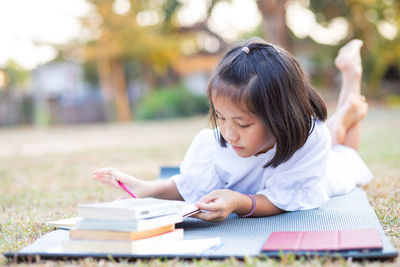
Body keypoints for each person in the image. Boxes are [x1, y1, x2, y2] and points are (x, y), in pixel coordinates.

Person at [93, 38, 372, 222]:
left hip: (324, 169)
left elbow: (284, 199)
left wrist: (238, 201)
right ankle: (344, 116)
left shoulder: (311, 141)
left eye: (243, 123)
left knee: (345, 152)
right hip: (304, 137)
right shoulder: (213, 145)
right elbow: (190, 187)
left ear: (280, 116)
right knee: (331, 136)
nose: (229, 133)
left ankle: (351, 79)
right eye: (221, 117)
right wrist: (145, 188)